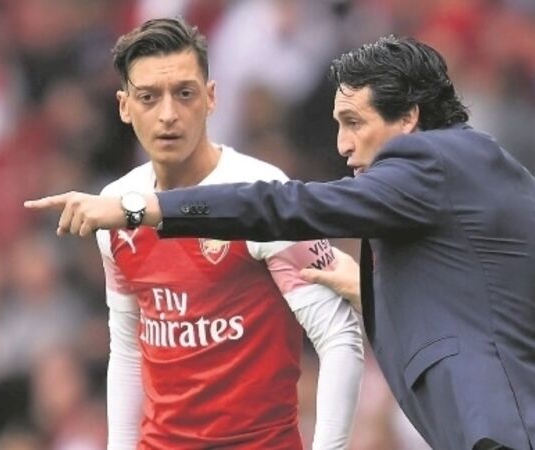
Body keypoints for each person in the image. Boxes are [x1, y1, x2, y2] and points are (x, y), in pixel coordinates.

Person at [26, 35, 535, 450]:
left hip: (526, 437)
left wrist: (143, 209)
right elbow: (482, 304)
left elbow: (291, 206)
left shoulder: (434, 163)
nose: (343, 145)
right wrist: (375, 289)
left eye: (354, 123)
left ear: (408, 118)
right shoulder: (471, 173)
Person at [32, 18, 364, 449]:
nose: (168, 114)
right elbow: (129, 350)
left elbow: (339, 335)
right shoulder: (116, 206)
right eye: (149, 97)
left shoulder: (264, 195)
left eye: (184, 93)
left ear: (211, 98)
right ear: (124, 106)